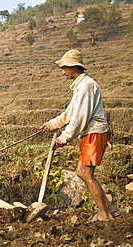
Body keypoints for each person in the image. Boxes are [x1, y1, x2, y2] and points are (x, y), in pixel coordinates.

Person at [41, 49, 118, 221]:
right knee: (81, 172)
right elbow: (69, 114)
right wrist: (50, 125)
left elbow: (80, 117)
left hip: (94, 134)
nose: (63, 72)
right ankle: (110, 208)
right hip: (90, 134)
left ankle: (104, 214)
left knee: (85, 174)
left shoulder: (86, 86)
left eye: (65, 68)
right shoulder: (80, 86)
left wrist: (64, 138)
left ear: (75, 67)